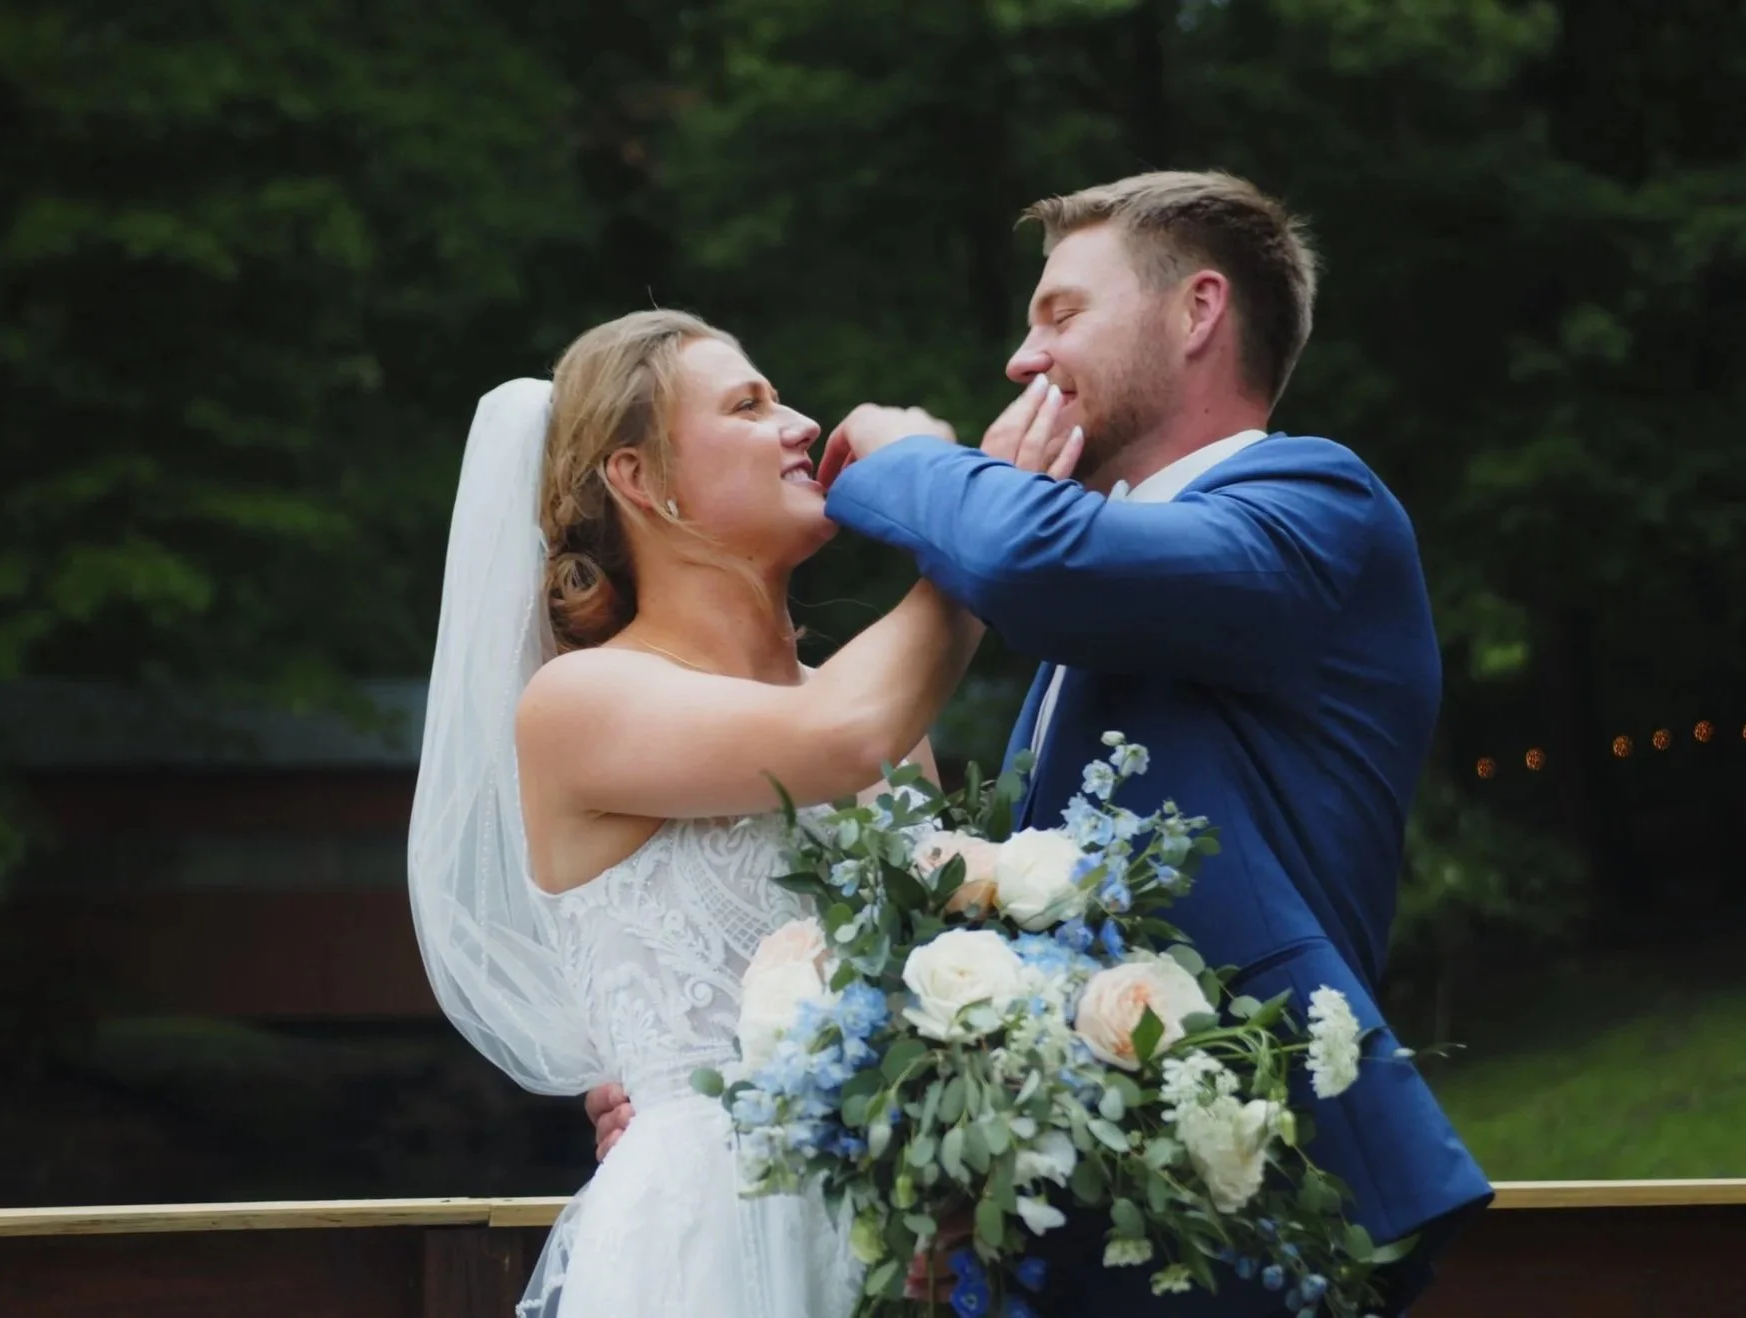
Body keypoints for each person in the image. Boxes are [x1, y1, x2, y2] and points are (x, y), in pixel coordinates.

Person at [591, 172, 1494, 1316]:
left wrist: (907, 454)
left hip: (1247, 1203)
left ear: (1198, 310)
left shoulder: (1317, 505)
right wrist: (736, 1086)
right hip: (1081, 1230)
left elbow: (1028, 559)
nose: (1023, 358)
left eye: (1060, 313)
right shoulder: (1098, 610)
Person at [406, 309, 1080, 1316]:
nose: (801, 422)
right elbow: (833, 736)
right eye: (748, 404)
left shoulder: (880, 715)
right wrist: (983, 517)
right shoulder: (579, 702)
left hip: (903, 1245)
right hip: (713, 1237)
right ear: (638, 477)